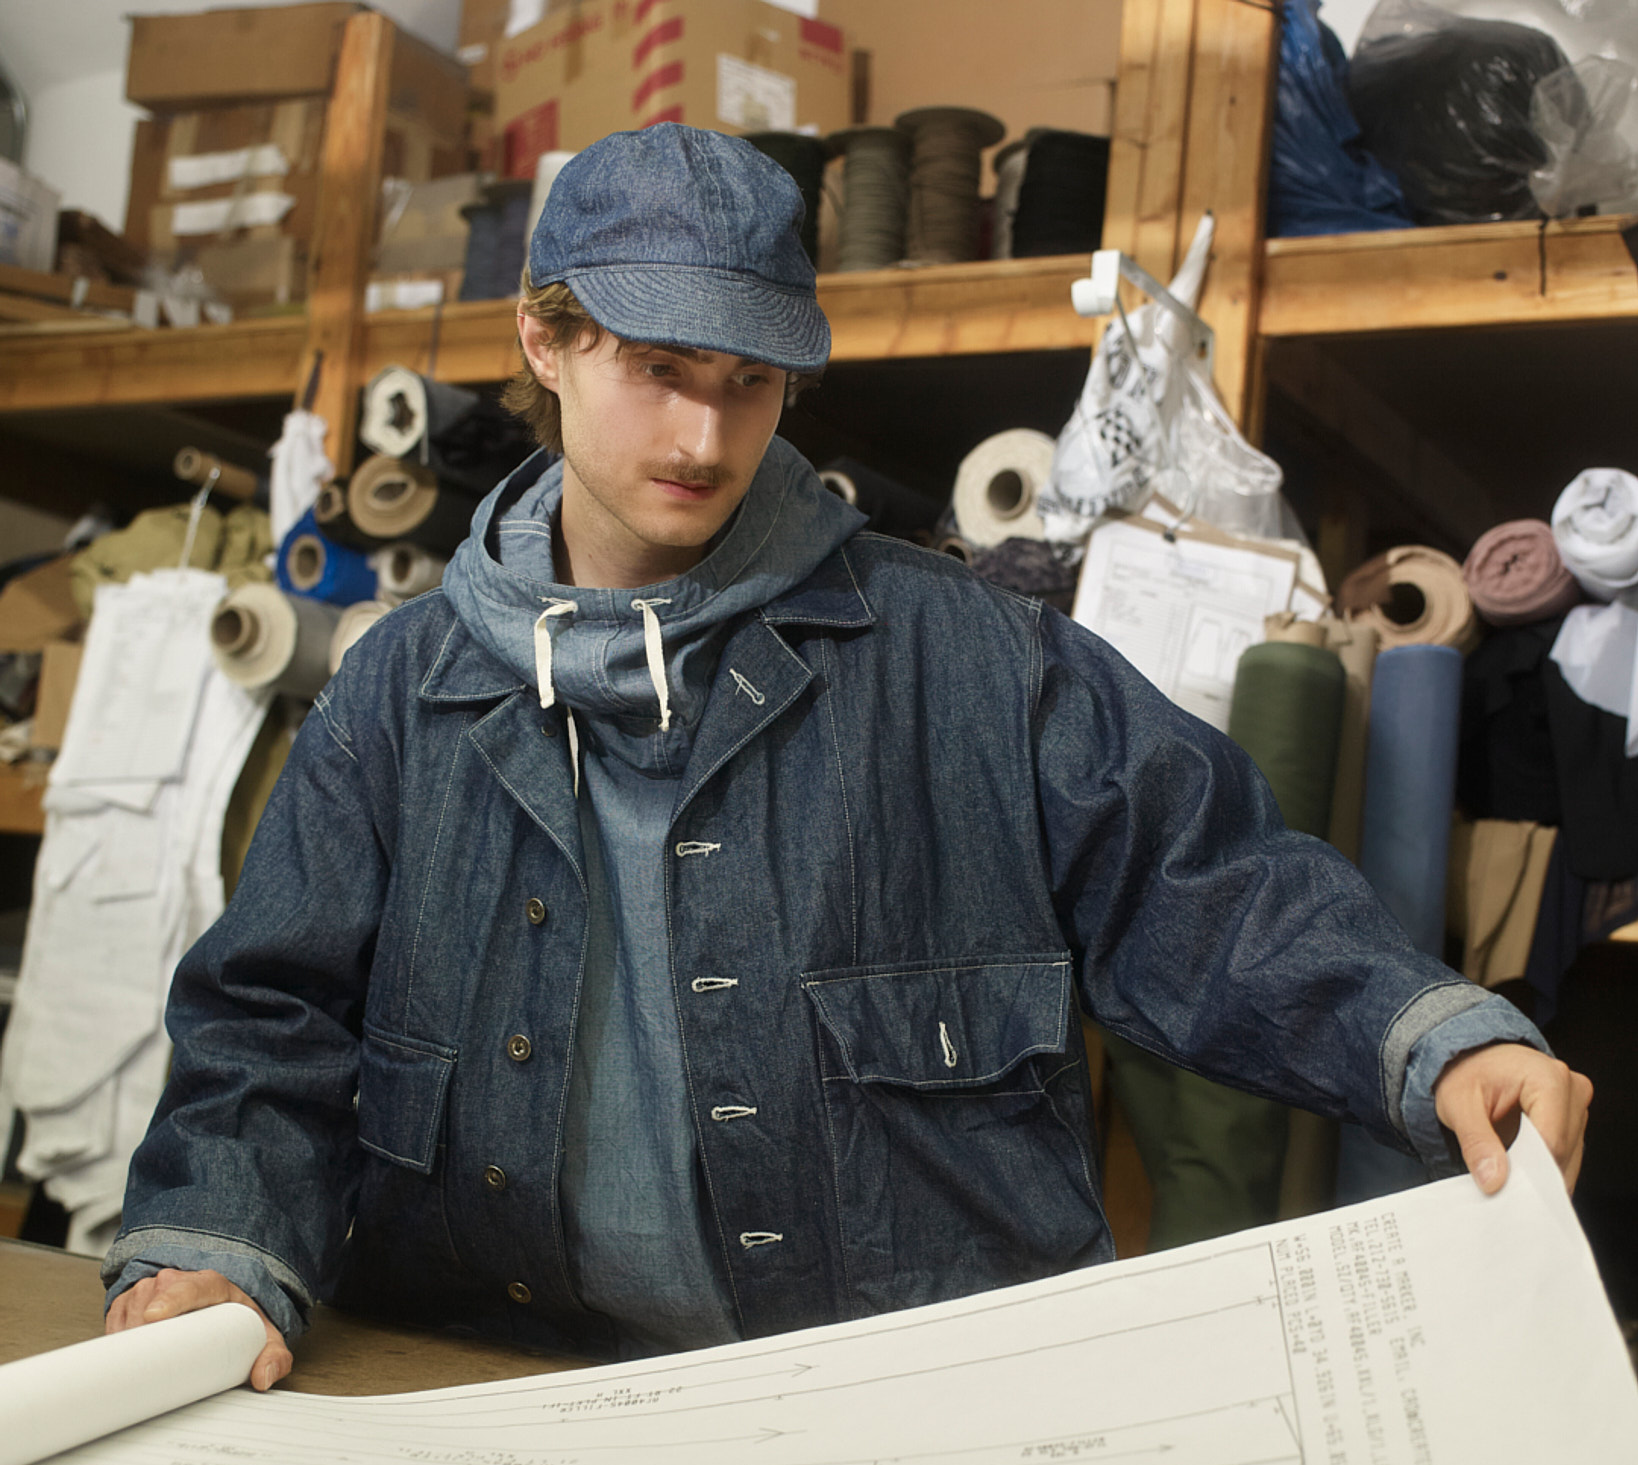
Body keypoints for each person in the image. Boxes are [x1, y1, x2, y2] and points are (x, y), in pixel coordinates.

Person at [104, 127, 1591, 1392]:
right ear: (545, 342)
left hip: (910, 1406)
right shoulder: (396, 701)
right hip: (497, 1380)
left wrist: (1434, 1036)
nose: (704, 435)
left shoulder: (971, 662)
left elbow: (1203, 887)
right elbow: (271, 1021)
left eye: (750, 382)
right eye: (658, 368)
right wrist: (216, 1246)